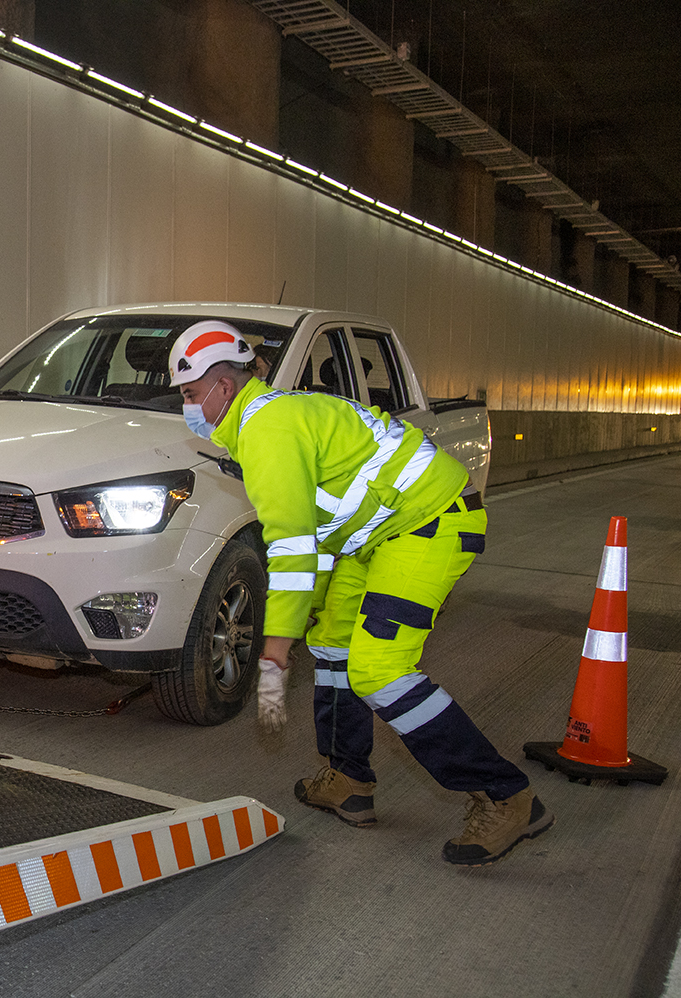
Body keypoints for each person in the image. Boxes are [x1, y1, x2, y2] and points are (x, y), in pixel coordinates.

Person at [169, 320, 553, 866]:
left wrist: (276, 639)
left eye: (189, 395)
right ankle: (349, 779)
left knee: (380, 670)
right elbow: (323, 533)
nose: (187, 408)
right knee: (332, 644)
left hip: (430, 523)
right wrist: (306, 616)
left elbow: (293, 546)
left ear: (222, 387)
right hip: (377, 536)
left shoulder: (267, 430)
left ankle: (506, 796)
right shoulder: (270, 419)